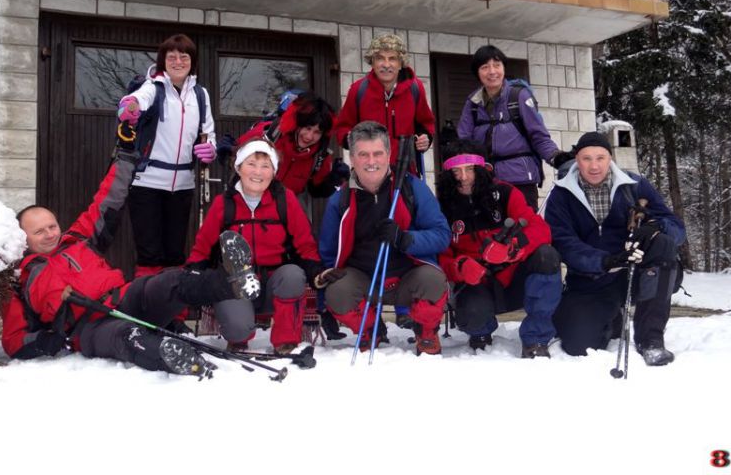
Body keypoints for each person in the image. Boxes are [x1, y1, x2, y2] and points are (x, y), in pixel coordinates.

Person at [1, 150, 255, 377]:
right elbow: (13, 340)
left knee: (173, 280)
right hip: (88, 328)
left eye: (52, 226)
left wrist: (126, 157)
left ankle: (232, 282)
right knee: (128, 337)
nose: (50, 234)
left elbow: (106, 200)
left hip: (123, 298)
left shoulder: (78, 239)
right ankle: (177, 358)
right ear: (23, 237)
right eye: (39, 232)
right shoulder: (21, 279)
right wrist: (42, 340)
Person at [544, 132, 686, 366]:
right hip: (591, 280)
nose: (594, 166)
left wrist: (656, 226)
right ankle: (612, 319)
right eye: (586, 158)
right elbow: (564, 243)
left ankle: (650, 339)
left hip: (636, 275)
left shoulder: (635, 185)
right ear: (576, 160)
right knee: (578, 344)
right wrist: (606, 260)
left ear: (610, 158)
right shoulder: (561, 195)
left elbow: (678, 231)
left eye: (600, 158)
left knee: (663, 243)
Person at [316, 121, 451, 355]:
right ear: (352, 158)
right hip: (364, 281)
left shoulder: (412, 188)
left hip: (407, 277)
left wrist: (405, 238)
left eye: (378, 153)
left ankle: (426, 331)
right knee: (337, 290)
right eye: (363, 154)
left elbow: (442, 235)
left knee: (433, 280)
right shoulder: (341, 199)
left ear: (388, 154)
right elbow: (328, 253)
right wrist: (323, 301)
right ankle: (370, 329)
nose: (371, 161)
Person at [186, 139, 324, 355]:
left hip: (273, 284)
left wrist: (316, 272)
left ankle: (285, 342)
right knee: (238, 328)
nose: (258, 172)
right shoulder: (224, 203)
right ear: (239, 167)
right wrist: (192, 275)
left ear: (273, 172)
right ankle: (238, 338)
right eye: (251, 164)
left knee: (293, 274)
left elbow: (305, 244)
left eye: (265, 166)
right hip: (235, 284)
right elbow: (202, 248)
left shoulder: (284, 200)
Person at [436, 140, 562, 358]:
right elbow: (440, 255)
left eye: (470, 169)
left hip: (513, 279)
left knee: (547, 256)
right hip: (476, 283)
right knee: (473, 315)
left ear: (481, 168)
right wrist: (460, 267)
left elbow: (540, 229)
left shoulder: (505, 192)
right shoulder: (442, 205)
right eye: (456, 171)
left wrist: (513, 248)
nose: (464, 177)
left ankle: (536, 338)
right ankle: (480, 332)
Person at [117, 33, 216, 277]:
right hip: (147, 183)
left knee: (175, 253)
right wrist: (129, 106)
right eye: (171, 57)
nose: (178, 62)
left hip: (182, 185)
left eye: (184, 56)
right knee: (149, 253)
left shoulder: (201, 95)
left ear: (192, 61)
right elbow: (137, 100)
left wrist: (210, 149)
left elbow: (208, 132)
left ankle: (174, 311)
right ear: (163, 61)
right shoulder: (153, 87)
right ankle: (148, 310)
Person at [456, 45, 562, 209]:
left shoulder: (519, 96)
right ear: (477, 73)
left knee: (523, 231)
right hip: (485, 182)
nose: (492, 72)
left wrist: (557, 158)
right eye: (485, 67)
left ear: (504, 68)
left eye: (497, 65)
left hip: (520, 180)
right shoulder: (472, 104)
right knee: (489, 232)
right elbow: (463, 143)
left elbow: (538, 135)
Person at [333, 34, 435, 172]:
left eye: (392, 58)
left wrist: (425, 137)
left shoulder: (415, 89)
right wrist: (349, 139)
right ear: (372, 62)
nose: (386, 65)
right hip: (367, 171)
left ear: (400, 63)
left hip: (404, 170)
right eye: (380, 58)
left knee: (423, 194)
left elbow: (426, 123)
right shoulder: (358, 90)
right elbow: (342, 127)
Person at [235, 91, 348, 198]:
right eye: (307, 128)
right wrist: (226, 151)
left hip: (285, 207)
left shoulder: (320, 156)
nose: (309, 136)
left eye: (317, 132)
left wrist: (334, 179)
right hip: (249, 200)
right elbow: (233, 156)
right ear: (297, 124)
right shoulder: (270, 134)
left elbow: (316, 190)